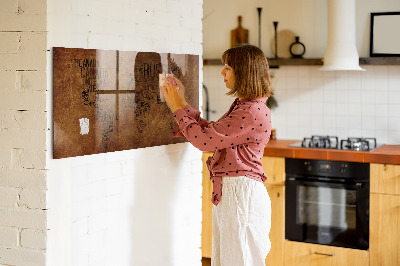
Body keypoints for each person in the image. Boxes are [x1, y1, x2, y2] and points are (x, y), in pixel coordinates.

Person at [161, 44, 273, 266]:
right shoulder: (246, 106)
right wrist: (182, 103)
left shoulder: (250, 111)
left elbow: (204, 141)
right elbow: (212, 133)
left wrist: (176, 108)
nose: (222, 72)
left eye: (228, 67)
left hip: (241, 195)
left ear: (244, 72)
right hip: (236, 193)